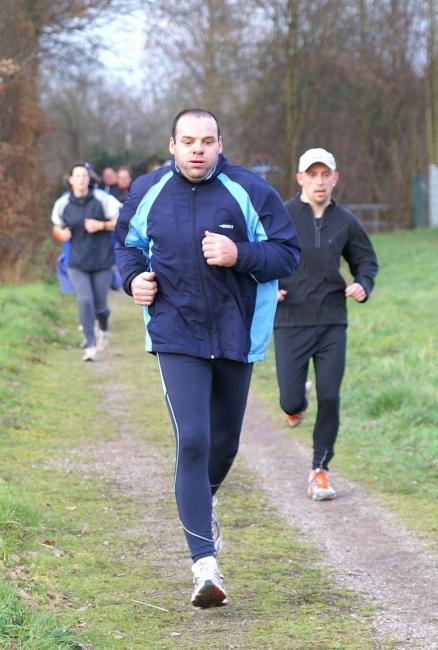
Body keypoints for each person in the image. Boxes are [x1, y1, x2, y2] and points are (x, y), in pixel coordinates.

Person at [114, 108, 301, 608]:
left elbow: (288, 253)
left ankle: (199, 504)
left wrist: (239, 253)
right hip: (176, 333)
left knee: (224, 445)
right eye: (189, 141)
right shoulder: (148, 192)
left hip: (238, 335)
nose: (198, 149)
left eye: (208, 141)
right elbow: (126, 246)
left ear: (220, 144)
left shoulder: (251, 192)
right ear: (172, 144)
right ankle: (204, 566)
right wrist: (133, 279)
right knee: (193, 440)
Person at [274, 148, 378, 501]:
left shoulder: (346, 221)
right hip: (290, 319)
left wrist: (363, 284)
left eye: (325, 175)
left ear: (335, 178)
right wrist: (268, 286)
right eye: (312, 174)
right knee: (289, 401)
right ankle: (295, 403)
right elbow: (261, 256)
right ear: (300, 177)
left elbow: (366, 261)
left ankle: (320, 470)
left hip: (333, 319)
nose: (319, 181)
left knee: (330, 396)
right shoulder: (281, 216)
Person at [51, 162, 121, 361]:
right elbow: (56, 227)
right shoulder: (62, 203)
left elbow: (122, 219)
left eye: (85, 176)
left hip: (101, 260)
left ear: (90, 179)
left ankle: (104, 329)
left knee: (100, 307)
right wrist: (61, 234)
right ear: (70, 180)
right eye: (78, 176)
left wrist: (102, 225)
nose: (82, 179)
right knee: (84, 301)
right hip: (77, 262)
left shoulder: (102, 199)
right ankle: (90, 345)